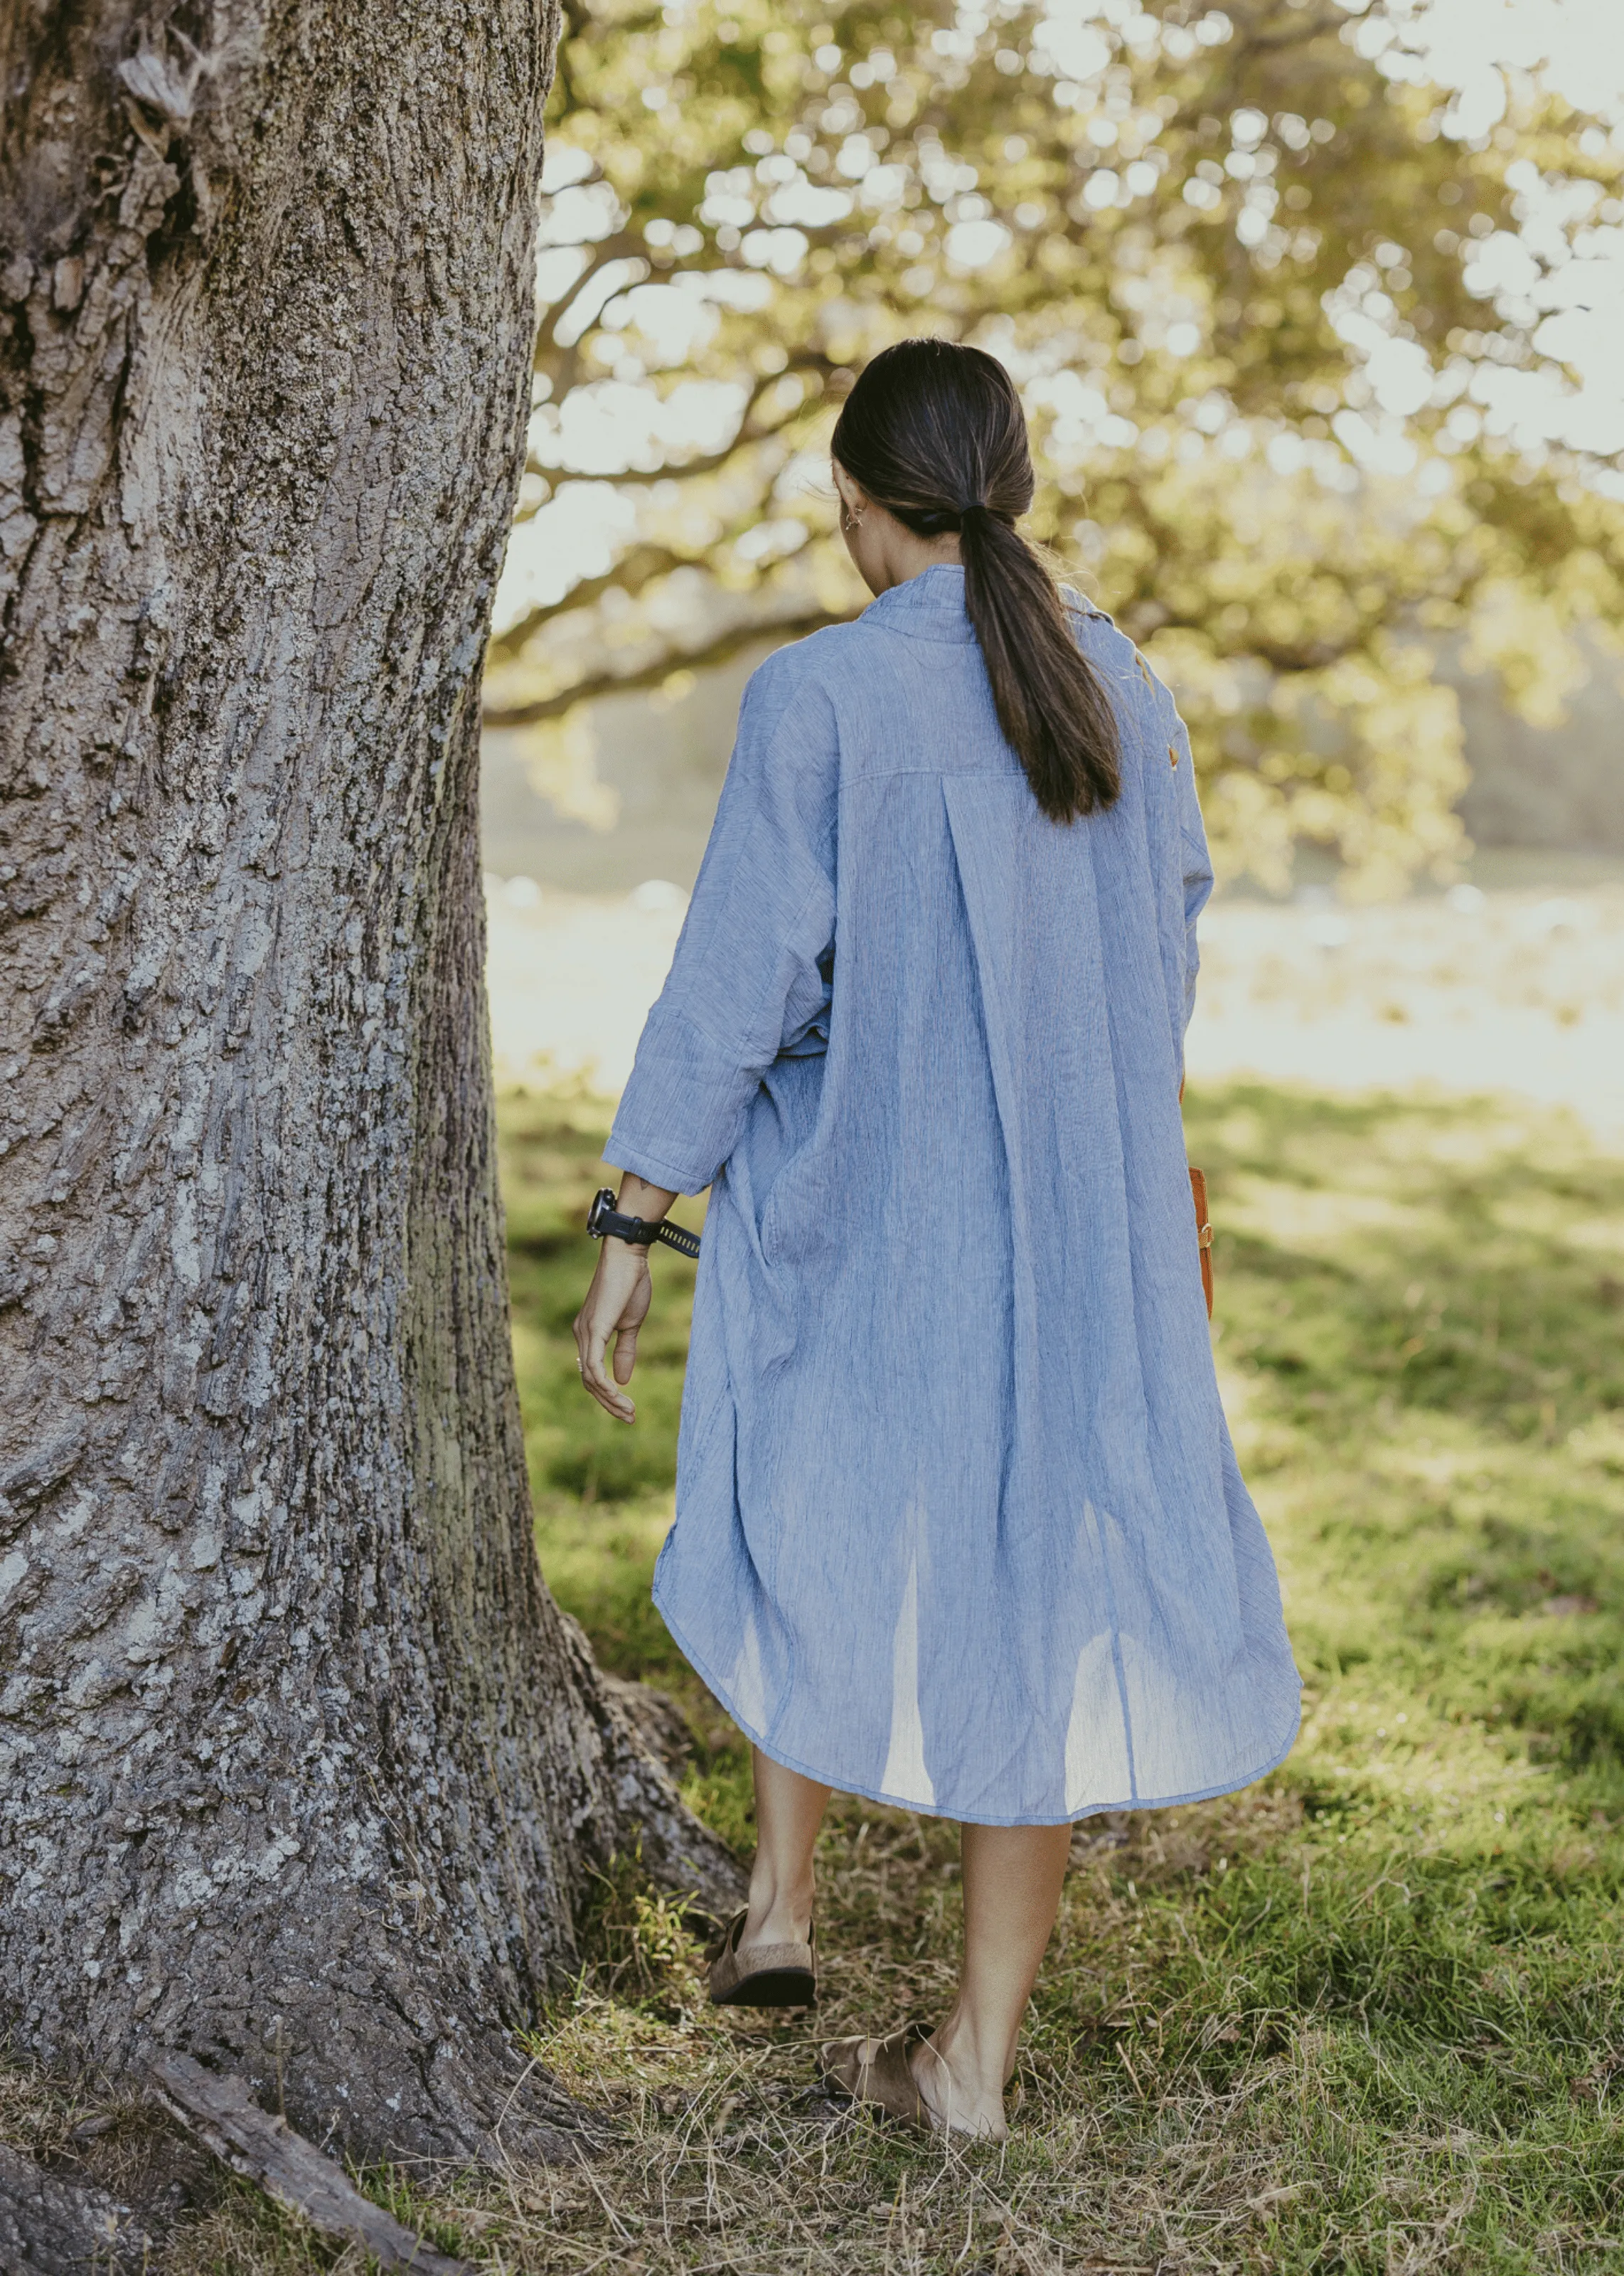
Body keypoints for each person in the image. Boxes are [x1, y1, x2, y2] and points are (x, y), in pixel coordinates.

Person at [573, 337, 1300, 2140]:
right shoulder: (1123, 684)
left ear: (847, 498)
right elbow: (1164, 956)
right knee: (1027, 1579)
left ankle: (781, 1903)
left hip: (876, 1189)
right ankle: (967, 2061)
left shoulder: (818, 696)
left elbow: (737, 980)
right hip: (1077, 1222)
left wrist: (633, 1214)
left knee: (806, 1470)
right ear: (1007, 488)